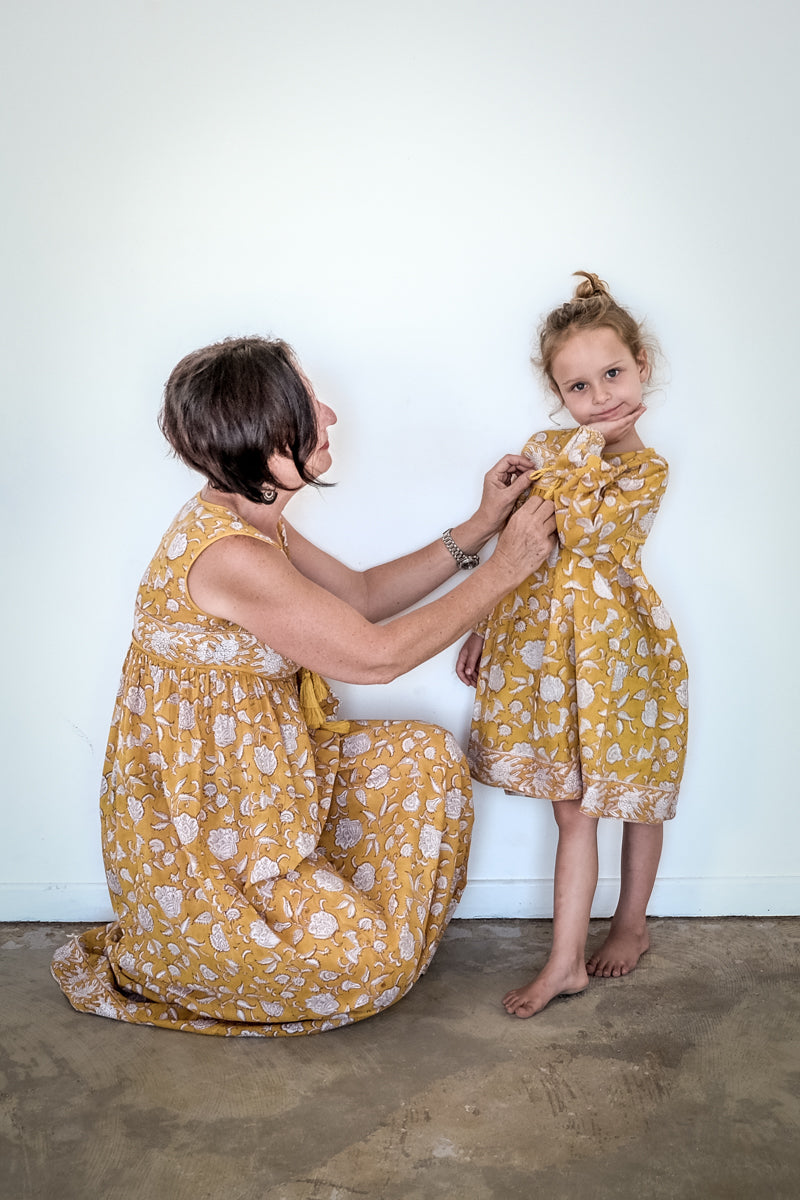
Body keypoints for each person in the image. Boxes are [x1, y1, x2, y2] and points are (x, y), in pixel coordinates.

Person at [51, 335, 556, 1036]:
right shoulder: (228, 553)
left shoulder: (251, 518)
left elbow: (362, 594)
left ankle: (320, 911)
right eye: (308, 407)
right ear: (263, 437)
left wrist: (481, 526)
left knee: (426, 759)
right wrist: (507, 570)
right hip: (212, 839)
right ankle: (208, 948)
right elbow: (375, 656)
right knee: (372, 966)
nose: (331, 416)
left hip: (264, 786)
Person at [457, 272, 688, 1018]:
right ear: (559, 394)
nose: (601, 397)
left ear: (641, 365)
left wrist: (583, 449)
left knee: (635, 797)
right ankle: (564, 961)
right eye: (580, 387)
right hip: (550, 656)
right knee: (572, 810)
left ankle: (631, 923)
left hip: (619, 656)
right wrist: (482, 623)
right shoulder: (550, 449)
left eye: (613, 374)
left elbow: (586, 537)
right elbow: (523, 547)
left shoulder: (642, 470)